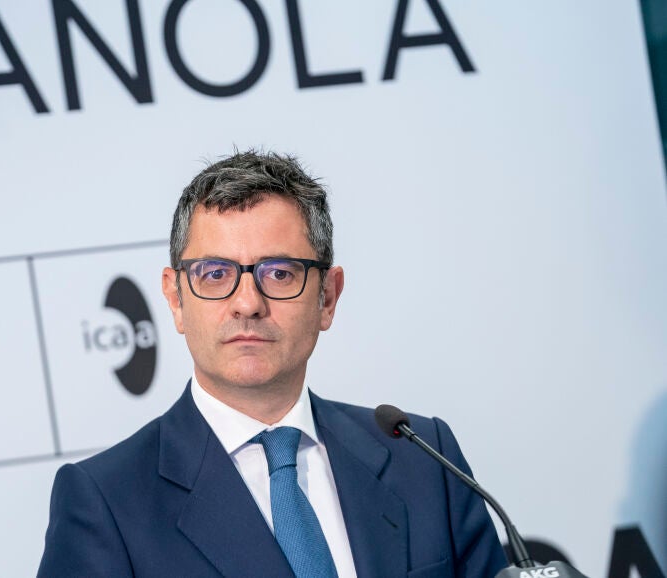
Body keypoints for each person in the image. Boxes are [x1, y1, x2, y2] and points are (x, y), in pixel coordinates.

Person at [38, 150, 507, 577]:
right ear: (176, 299)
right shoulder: (105, 502)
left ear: (327, 297)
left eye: (280, 273)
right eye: (215, 273)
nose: (247, 303)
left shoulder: (423, 458)